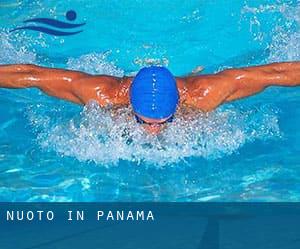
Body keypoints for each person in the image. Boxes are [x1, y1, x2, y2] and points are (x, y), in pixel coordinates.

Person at [0, 62, 299, 134]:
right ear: (130, 105)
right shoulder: (101, 93)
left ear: (177, 107)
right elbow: (31, 75)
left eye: (163, 122)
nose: (153, 131)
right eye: (143, 121)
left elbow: (273, 74)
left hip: (191, 84)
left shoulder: (204, 94)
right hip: (117, 85)